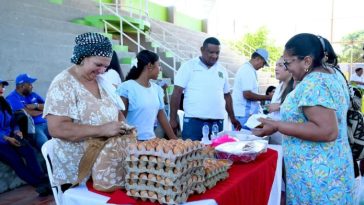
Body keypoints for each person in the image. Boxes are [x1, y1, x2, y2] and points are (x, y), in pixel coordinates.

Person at [253, 33, 354, 204]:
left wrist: (278, 126)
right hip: (332, 172)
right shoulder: (332, 74)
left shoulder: (313, 83)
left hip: (317, 178)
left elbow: (327, 130)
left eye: (288, 62)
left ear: (307, 61)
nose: (286, 67)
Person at [43, 32, 133, 188]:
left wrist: (126, 130)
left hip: (107, 169)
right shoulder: (63, 84)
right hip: (79, 174)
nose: (102, 71)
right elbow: (57, 128)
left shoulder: (102, 83)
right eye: (98, 65)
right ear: (82, 58)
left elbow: (117, 113)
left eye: (106, 66)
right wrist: (102, 129)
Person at [169, 37, 241, 140]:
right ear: (202, 50)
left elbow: (227, 96)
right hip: (194, 123)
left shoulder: (222, 70)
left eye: (217, 53)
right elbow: (177, 93)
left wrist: (233, 118)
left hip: (217, 123)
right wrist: (172, 120)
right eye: (211, 52)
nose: (214, 56)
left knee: (214, 155)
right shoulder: (188, 67)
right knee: (193, 154)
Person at [0, 79, 50, 196]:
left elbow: (13, 121)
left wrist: (17, 131)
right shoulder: (9, 99)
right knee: (16, 161)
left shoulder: (3, 102)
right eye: (0, 87)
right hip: (2, 141)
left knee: (29, 152)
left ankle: (42, 179)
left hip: (11, 135)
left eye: (2, 86)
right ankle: (39, 185)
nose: (2, 89)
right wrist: (6, 138)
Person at [117, 50, 177, 141]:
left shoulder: (157, 89)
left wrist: (174, 139)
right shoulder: (126, 88)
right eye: (159, 65)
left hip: (151, 142)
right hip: (131, 143)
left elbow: (162, 117)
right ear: (149, 66)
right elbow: (120, 121)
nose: (160, 69)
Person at [6, 73, 50, 150]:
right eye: (29, 84)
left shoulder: (32, 94)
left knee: (65, 138)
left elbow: (49, 106)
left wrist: (35, 106)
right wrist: (42, 111)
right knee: (45, 146)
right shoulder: (12, 98)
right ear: (22, 86)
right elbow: (27, 113)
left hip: (48, 122)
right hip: (35, 127)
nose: (32, 86)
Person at [232, 48, 273, 129]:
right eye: (263, 63)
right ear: (257, 59)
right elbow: (247, 95)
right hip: (243, 114)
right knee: (243, 140)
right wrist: (268, 97)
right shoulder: (247, 70)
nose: (262, 66)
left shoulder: (249, 69)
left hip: (244, 114)